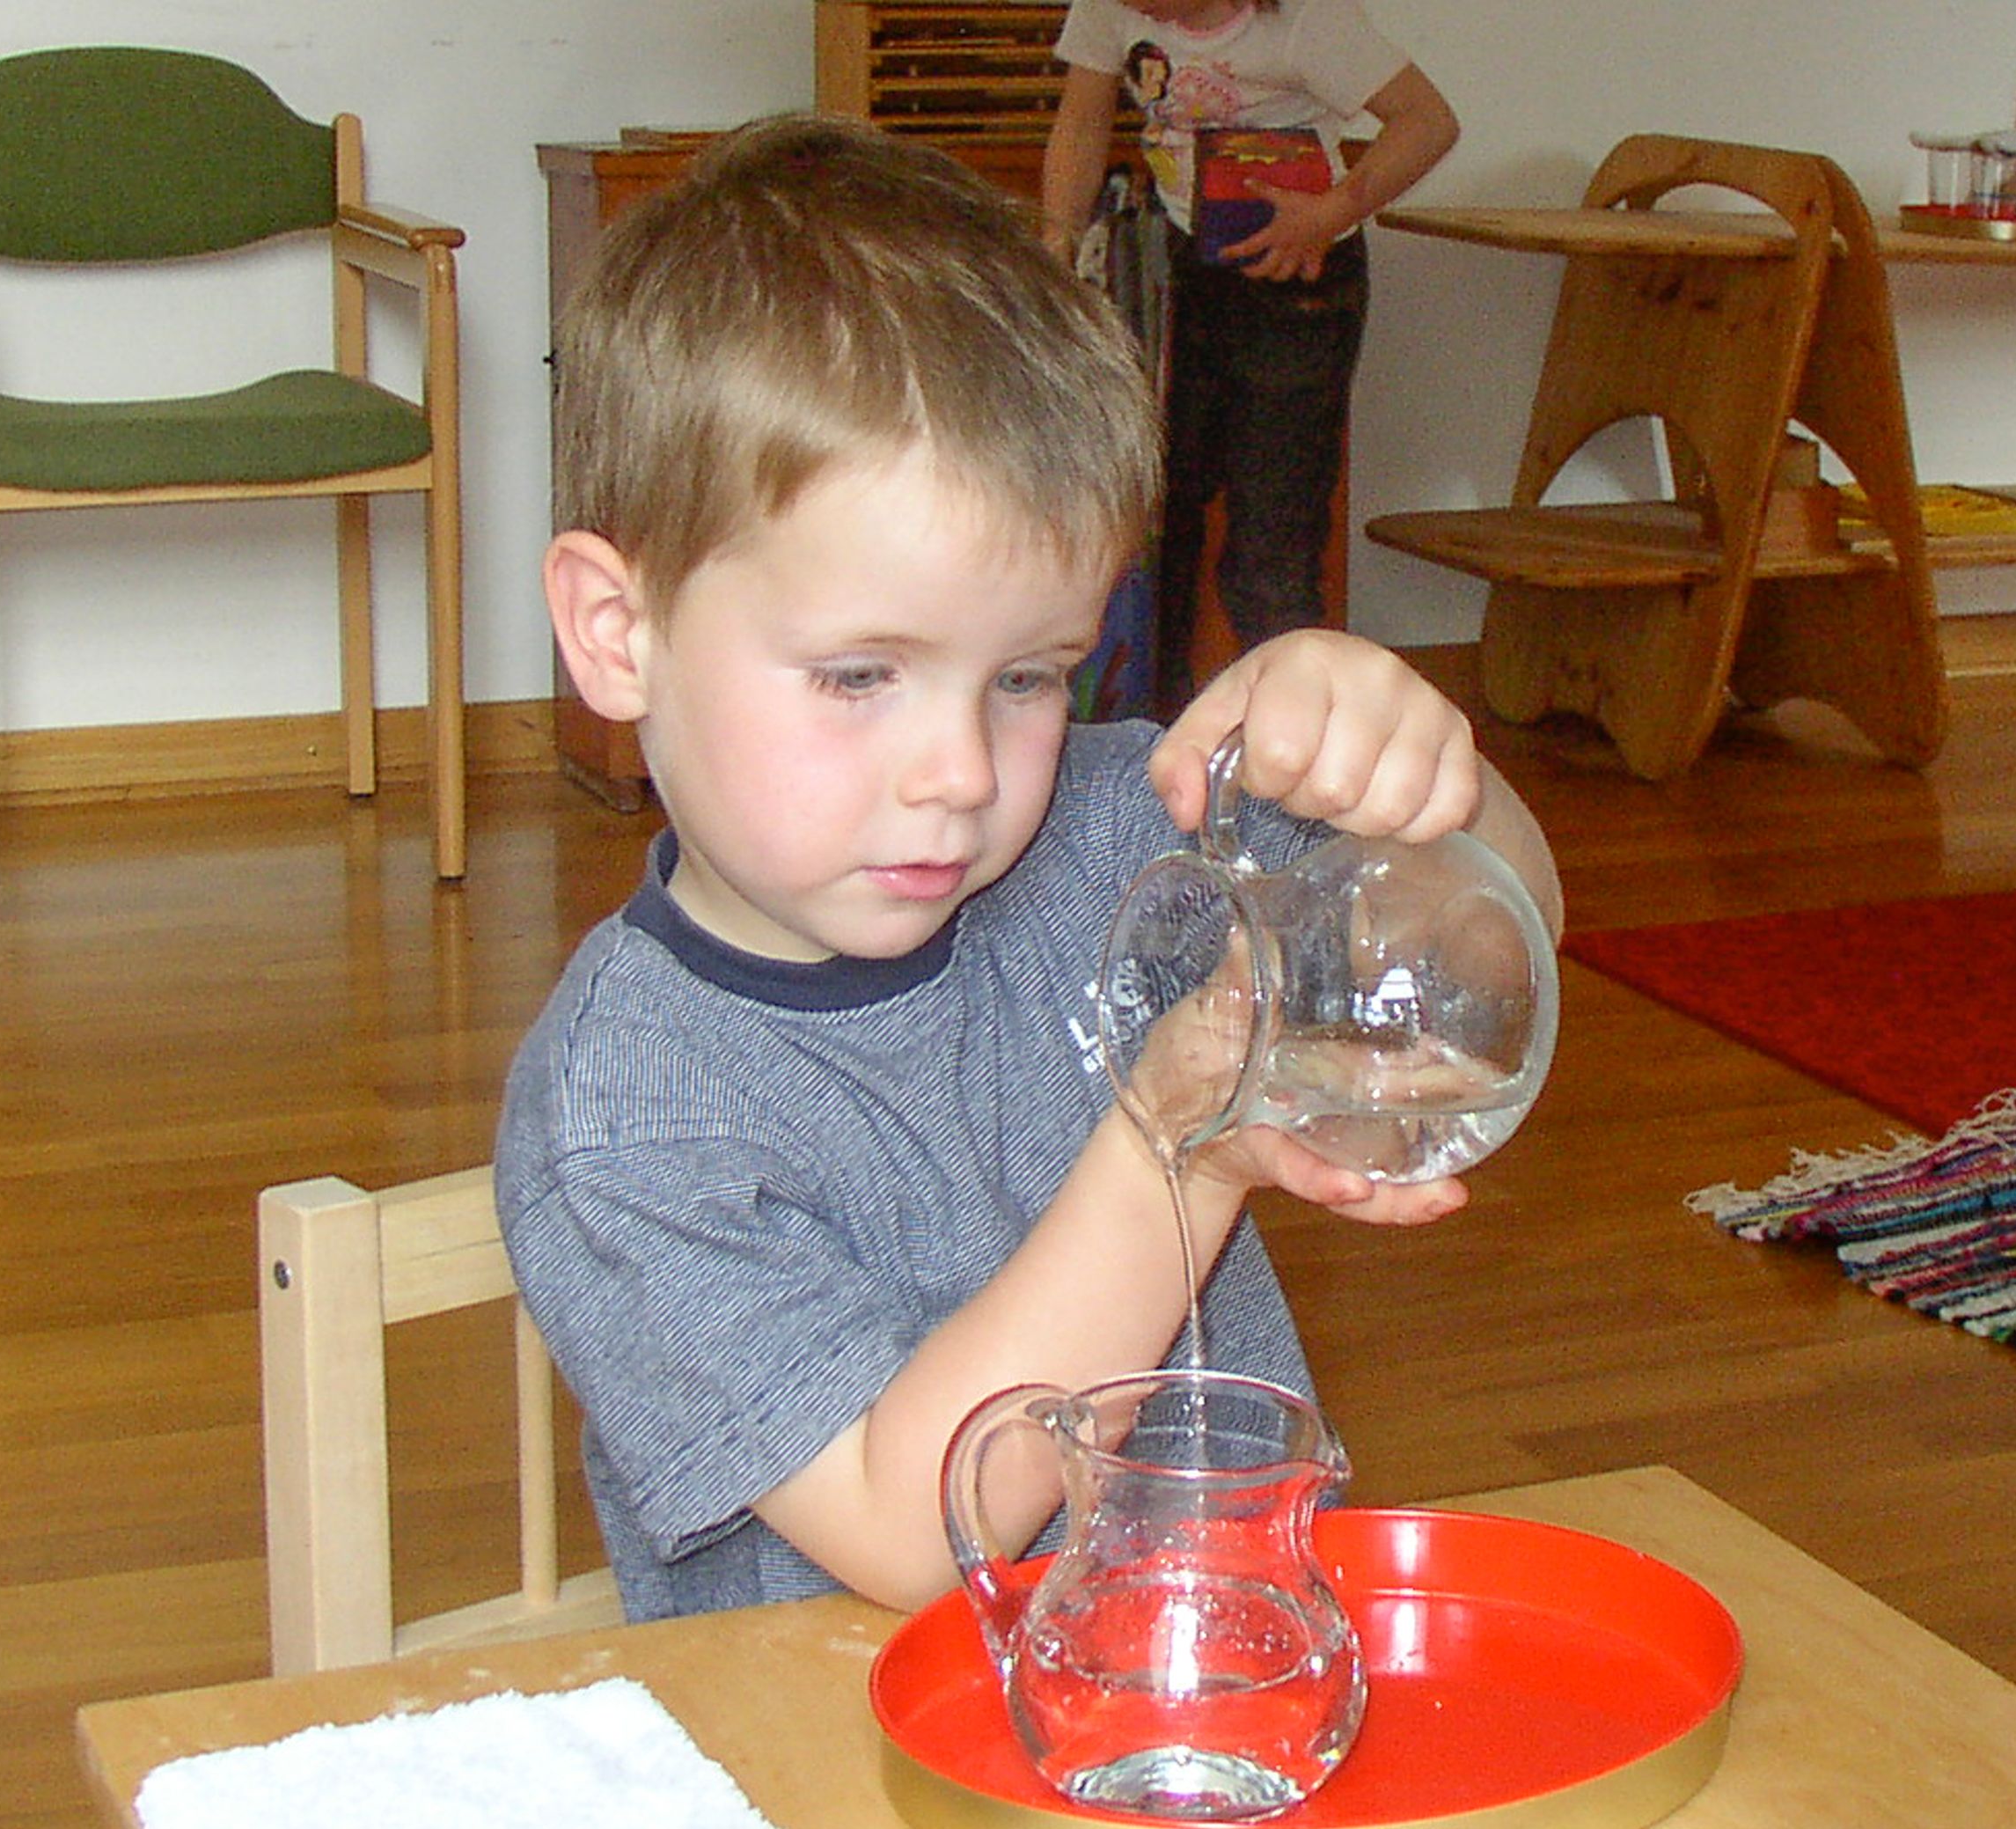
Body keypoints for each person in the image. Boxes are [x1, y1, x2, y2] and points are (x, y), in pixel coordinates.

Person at [498, 113, 1559, 1622]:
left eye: (1030, 676)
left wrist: (1423, 784)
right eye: (862, 675)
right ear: (621, 632)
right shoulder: (625, 1114)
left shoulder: (1126, 824)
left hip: (1220, 1697)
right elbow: (917, 1527)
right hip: (852, 1797)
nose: (965, 773)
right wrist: (1180, 1140)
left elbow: (1497, 963)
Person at [1041, 0, 1460, 713]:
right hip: (1177, 267)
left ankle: (1293, 763)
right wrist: (1053, 254)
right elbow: (1081, 122)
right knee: (1154, 521)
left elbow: (1428, 122)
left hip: (1296, 282)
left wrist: (1330, 213)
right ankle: (1151, 742)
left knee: (1272, 543)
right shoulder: (1111, 9)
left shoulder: (1307, 22)